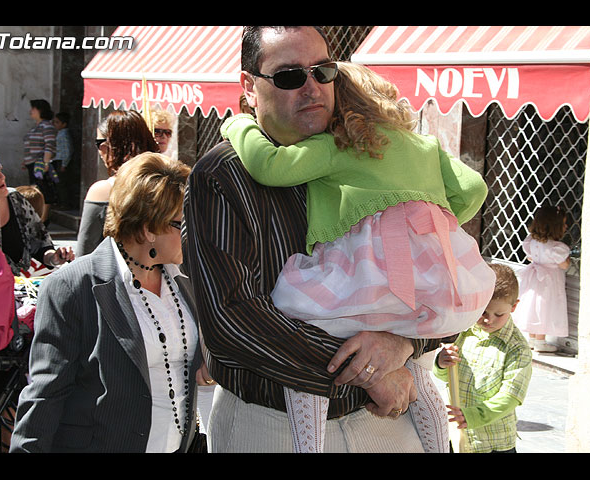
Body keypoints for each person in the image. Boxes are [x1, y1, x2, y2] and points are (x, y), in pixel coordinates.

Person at [183, 25, 447, 454]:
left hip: (384, 417)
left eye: (323, 72)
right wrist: (369, 370)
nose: (312, 88)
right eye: (289, 76)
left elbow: (437, 275)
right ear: (249, 87)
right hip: (270, 425)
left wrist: (405, 343)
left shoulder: (367, 152)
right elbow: (231, 319)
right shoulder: (223, 174)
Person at [220, 61, 495, 452]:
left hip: (369, 276)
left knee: (299, 314)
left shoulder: (339, 144)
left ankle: (307, 446)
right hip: (429, 278)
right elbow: (473, 190)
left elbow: (270, 167)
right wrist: (430, 222)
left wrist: (238, 125)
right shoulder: (424, 145)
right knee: (415, 368)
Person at [10, 152, 203, 453]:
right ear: (149, 228)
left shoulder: (184, 279)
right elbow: (46, 393)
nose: (196, 233)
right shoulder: (73, 286)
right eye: (185, 224)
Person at [433, 263, 532, 453]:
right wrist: (441, 363)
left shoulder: (517, 349)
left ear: (514, 306)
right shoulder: (464, 332)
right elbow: (446, 377)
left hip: (495, 442)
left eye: (498, 314)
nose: (488, 320)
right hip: (457, 436)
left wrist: (471, 416)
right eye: (483, 312)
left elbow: (510, 397)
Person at [75, 110, 159, 257]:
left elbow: (85, 252)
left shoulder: (103, 191)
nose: (99, 150)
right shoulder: (167, 185)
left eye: (100, 143)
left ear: (121, 145)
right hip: (163, 277)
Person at [0, 152, 73, 277]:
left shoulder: (15, 200)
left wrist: (54, 258)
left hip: (21, 289)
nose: (2, 177)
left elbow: (40, 245)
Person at [514, 204, 571, 352]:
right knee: (545, 307)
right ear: (555, 226)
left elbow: (530, 257)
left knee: (534, 306)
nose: (566, 226)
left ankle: (532, 338)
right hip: (549, 281)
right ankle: (540, 341)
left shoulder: (531, 241)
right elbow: (564, 265)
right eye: (564, 223)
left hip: (534, 279)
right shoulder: (556, 247)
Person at [22, 99, 59, 222]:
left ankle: (42, 220)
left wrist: (46, 162)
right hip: (32, 163)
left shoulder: (47, 126)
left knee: (43, 191)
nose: (30, 111)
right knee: (36, 190)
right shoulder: (36, 127)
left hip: (40, 164)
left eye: (33, 108)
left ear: (40, 110)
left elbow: (49, 144)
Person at [52, 112, 74, 208]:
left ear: (64, 124)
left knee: (62, 184)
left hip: (62, 161)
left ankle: (65, 204)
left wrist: (64, 164)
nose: (55, 124)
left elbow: (67, 150)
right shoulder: (60, 134)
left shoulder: (64, 135)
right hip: (59, 160)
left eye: (57, 122)